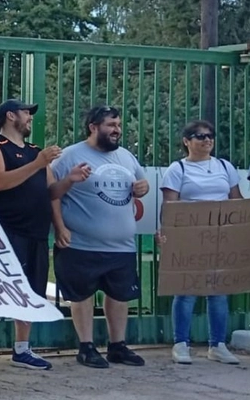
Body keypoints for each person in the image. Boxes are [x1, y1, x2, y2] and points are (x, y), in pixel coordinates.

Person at [50, 105, 149, 369]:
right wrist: (59, 227)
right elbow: (52, 193)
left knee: (119, 295)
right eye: (111, 125)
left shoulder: (126, 156)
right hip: (81, 243)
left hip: (122, 246)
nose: (117, 130)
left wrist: (143, 187)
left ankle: (118, 346)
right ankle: (86, 347)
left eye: (118, 125)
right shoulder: (70, 155)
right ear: (93, 127)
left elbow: (142, 184)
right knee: (81, 295)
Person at [0, 99, 60, 372]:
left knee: (31, 291)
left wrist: (72, 180)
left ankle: (22, 348)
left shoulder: (35, 151)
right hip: (5, 230)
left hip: (36, 231)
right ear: (10, 116)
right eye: (26, 112)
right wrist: (38, 164)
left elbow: (52, 191)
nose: (30, 117)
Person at [159, 121, 242, 365]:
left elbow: (236, 200)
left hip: (220, 237)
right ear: (187, 141)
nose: (207, 140)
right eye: (200, 136)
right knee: (186, 291)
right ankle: (181, 343)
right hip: (190, 237)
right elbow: (169, 206)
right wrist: (167, 233)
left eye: (210, 136)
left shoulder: (225, 167)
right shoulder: (177, 169)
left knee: (218, 292)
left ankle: (217, 345)